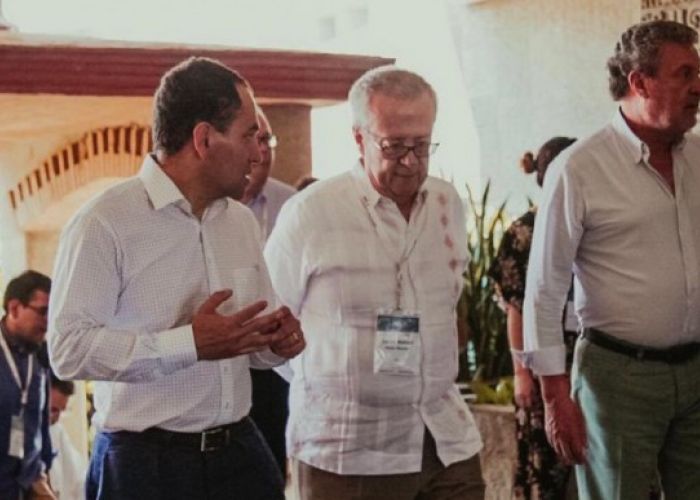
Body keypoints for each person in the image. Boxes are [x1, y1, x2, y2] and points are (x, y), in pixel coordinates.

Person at [48, 56, 305, 500]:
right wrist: (187, 344)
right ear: (204, 139)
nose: (259, 153)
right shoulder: (104, 223)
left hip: (240, 453)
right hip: (145, 465)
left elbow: (251, 347)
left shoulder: (240, 223)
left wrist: (276, 345)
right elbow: (68, 350)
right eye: (250, 135)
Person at [265, 65, 484, 500]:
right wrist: (332, 383)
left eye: (421, 145)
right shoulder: (311, 213)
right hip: (348, 449)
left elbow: (449, 303)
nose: (410, 160)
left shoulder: (446, 202)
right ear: (359, 138)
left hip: (444, 439)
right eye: (394, 145)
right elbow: (271, 328)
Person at [523, 20, 700, 500]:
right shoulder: (579, 168)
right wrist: (554, 395)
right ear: (639, 82)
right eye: (684, 74)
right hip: (618, 378)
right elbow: (544, 289)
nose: (697, 86)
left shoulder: (698, 157)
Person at [489, 137, 577, 500]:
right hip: (542, 365)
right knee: (544, 464)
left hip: (592, 361)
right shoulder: (524, 232)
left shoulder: (594, 224)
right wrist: (522, 374)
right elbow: (516, 307)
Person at [241, 107, 296, 478]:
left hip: (272, 357)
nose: (263, 152)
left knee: (269, 467)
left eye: (269, 140)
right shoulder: (210, 207)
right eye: (255, 139)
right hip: (219, 356)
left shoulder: (293, 206)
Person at [0, 270, 55, 500]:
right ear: (14, 308)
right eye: (43, 312)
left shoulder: (41, 358)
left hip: (27, 486)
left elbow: (41, 425)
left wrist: (41, 475)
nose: (48, 322)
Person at [47, 373, 87, 500]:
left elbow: (78, 479)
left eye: (60, 411)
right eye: (53, 410)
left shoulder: (56, 431)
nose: (56, 418)